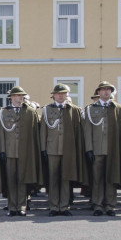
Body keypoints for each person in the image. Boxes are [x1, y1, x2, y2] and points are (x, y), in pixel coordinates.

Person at [82, 81, 121, 216]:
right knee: (97, 178)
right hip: (97, 149)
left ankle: (110, 205)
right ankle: (97, 204)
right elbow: (88, 130)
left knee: (111, 177)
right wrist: (89, 149)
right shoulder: (90, 109)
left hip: (112, 149)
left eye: (108, 90)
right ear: (98, 92)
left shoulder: (118, 109)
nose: (106, 92)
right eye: (103, 90)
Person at [39, 84, 84, 216]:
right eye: (58, 93)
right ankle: (54, 206)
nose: (60, 96)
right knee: (53, 179)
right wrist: (43, 149)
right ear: (53, 95)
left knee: (65, 178)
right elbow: (43, 131)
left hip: (68, 149)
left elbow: (77, 131)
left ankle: (64, 206)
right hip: (52, 148)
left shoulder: (73, 110)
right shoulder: (47, 110)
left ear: (67, 95)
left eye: (63, 93)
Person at [0, 86, 42, 217]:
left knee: (22, 180)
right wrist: (2, 150)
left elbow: (34, 133)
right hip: (10, 151)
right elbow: (1, 132)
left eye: (22, 95)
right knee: (11, 180)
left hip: (25, 150)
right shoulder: (4, 112)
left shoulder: (30, 111)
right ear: (11, 97)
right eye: (18, 95)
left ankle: (22, 206)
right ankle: (12, 207)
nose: (21, 97)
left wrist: (33, 150)